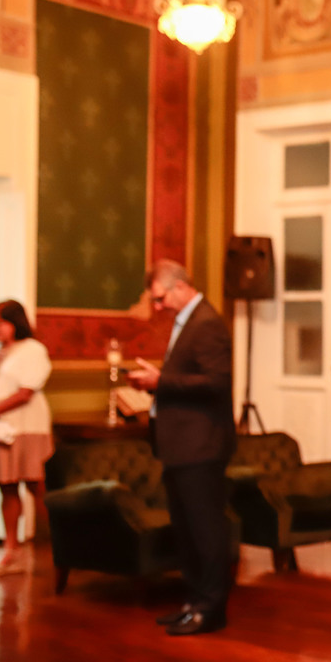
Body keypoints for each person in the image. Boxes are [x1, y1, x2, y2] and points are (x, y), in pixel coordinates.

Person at [127, 260, 235, 636]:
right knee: (186, 530)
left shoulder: (206, 323)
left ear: (178, 287)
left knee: (205, 530)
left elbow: (216, 383)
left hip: (201, 445)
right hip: (180, 446)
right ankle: (192, 603)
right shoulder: (188, 321)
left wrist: (161, 380)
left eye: (159, 298)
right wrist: (159, 382)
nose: (157, 307)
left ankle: (211, 609)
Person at [0, 301, 54, 578]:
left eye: (1, 322)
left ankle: (57, 546)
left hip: (26, 427)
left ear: (16, 322)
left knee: (37, 487)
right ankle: (11, 551)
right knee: (6, 487)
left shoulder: (33, 350)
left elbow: (25, 392)